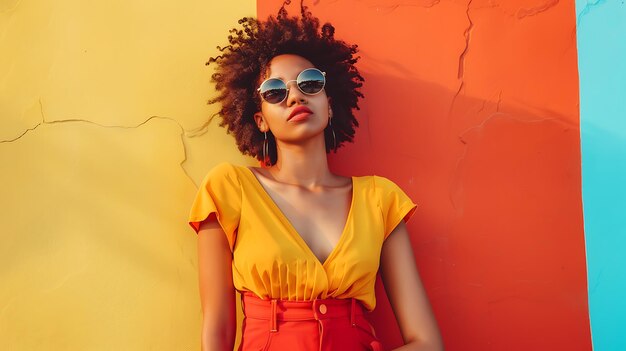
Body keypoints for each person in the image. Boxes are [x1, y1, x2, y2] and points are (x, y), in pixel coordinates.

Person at [188, 2, 443, 350]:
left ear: (330, 102)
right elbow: (216, 334)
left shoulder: (380, 199)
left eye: (309, 84)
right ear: (259, 118)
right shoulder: (230, 188)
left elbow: (427, 343)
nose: (294, 96)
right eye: (275, 91)